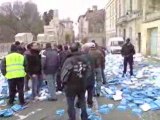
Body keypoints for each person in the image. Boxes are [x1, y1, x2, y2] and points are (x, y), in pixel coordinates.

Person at [61, 43, 89, 120]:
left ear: (70, 50)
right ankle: (84, 117)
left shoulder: (69, 60)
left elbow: (64, 73)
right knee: (82, 102)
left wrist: (63, 82)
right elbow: (88, 71)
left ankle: (72, 118)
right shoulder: (84, 59)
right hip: (82, 84)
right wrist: (84, 79)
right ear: (78, 49)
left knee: (70, 104)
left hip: (70, 85)